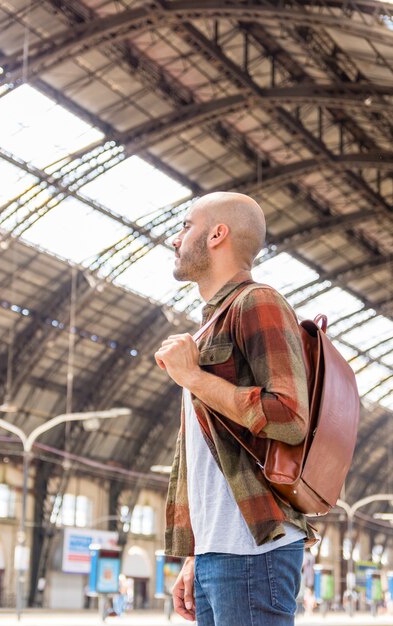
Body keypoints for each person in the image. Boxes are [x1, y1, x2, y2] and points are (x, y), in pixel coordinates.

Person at [154, 191, 316, 626]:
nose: (175, 238)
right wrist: (196, 554)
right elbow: (209, 462)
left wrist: (195, 378)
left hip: (252, 552)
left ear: (216, 234)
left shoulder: (258, 302)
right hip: (219, 552)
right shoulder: (210, 323)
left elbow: (289, 416)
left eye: (186, 226)